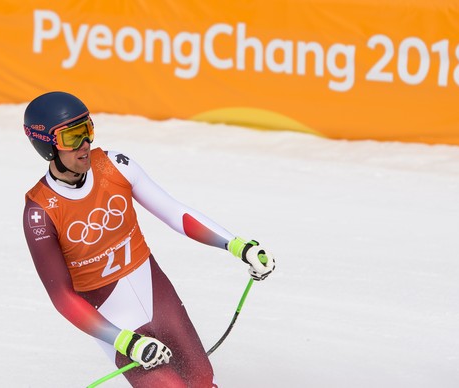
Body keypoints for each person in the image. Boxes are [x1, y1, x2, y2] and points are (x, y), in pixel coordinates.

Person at [22, 91, 276, 387]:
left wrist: (237, 245)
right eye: (72, 137)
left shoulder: (115, 165)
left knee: (203, 379)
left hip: (156, 291)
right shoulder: (39, 211)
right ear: (47, 146)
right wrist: (123, 341)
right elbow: (62, 297)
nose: (85, 145)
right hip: (114, 318)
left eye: (88, 130)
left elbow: (174, 212)